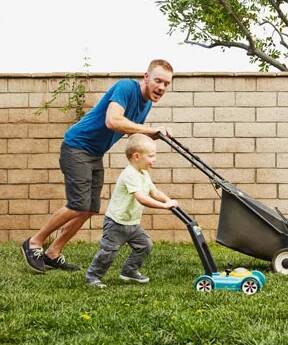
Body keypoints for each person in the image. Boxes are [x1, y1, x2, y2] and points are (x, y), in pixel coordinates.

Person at [21, 59, 174, 273]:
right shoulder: (126, 88)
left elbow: (130, 131)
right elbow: (112, 121)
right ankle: (34, 242)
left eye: (167, 83)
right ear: (146, 77)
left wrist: (153, 136)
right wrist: (149, 129)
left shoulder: (146, 103)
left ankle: (53, 253)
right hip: (77, 146)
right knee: (77, 204)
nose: (162, 87)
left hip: (94, 153)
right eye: (158, 80)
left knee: (89, 208)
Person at [85, 134, 178, 288]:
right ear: (137, 156)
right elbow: (142, 198)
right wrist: (164, 206)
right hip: (116, 222)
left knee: (145, 245)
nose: (154, 159)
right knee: (108, 252)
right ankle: (92, 276)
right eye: (151, 156)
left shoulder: (144, 173)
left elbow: (154, 192)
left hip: (132, 223)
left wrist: (168, 201)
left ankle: (129, 271)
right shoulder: (129, 174)